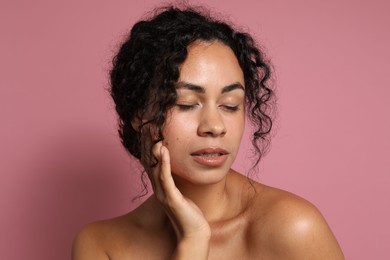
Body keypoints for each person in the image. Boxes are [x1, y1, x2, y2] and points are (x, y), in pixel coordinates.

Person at [72, 4, 344, 260]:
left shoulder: (294, 228)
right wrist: (193, 240)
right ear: (139, 114)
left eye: (230, 105)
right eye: (187, 104)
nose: (215, 126)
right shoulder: (101, 245)